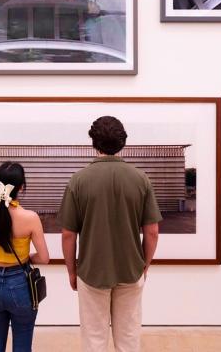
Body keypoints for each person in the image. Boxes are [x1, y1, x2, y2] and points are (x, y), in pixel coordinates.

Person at [58, 116, 162, 352]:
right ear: (122, 142)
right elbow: (152, 232)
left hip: (91, 270)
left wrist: (71, 271)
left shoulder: (78, 180)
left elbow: (67, 234)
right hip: (130, 269)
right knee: (128, 338)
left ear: (93, 143)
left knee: (93, 339)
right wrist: (144, 266)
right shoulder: (140, 179)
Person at [0, 162, 50, 352]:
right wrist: (27, 258)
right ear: (21, 187)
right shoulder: (30, 218)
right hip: (20, 285)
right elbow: (44, 257)